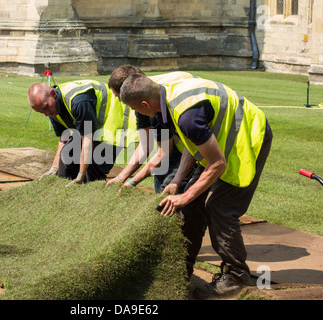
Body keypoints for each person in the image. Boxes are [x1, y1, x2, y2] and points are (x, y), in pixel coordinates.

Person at [119, 73, 273, 299]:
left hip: (247, 137)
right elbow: (194, 147)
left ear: (145, 104)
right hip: (219, 142)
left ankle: (236, 277)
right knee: (190, 205)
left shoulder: (185, 114)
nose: (137, 114)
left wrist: (184, 195)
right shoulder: (166, 99)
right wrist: (177, 182)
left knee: (219, 207)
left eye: (136, 110)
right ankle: (180, 270)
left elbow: (218, 163)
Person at [106, 65, 199, 193]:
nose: (120, 101)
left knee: (173, 185)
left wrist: (133, 181)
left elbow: (163, 153)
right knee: (162, 177)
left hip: (194, 126)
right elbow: (146, 145)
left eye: (119, 97)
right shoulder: (142, 95)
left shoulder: (152, 101)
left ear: (129, 90)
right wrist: (121, 177)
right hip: (181, 127)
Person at [28, 80, 135, 186]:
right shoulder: (51, 108)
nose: (46, 113)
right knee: (67, 154)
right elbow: (63, 139)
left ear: (53, 93)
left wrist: (80, 175)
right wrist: (54, 168)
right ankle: (64, 193)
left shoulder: (79, 101)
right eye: (41, 112)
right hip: (94, 126)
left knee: (95, 164)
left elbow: (87, 141)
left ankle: (93, 196)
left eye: (45, 107)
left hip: (115, 124)